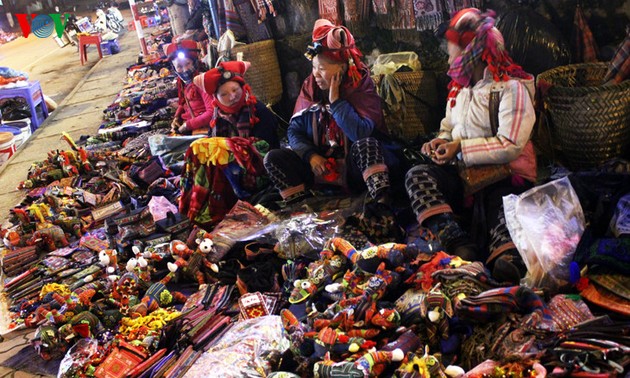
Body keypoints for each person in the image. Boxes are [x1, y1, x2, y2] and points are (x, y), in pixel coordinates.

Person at [404, 8, 537, 284]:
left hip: (503, 176)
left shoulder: (511, 88)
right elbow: (448, 126)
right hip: (465, 175)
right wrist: (440, 141)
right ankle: (457, 239)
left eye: (453, 49)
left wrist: (460, 148)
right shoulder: (459, 90)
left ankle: (505, 256)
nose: (449, 56)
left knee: (501, 206)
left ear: (473, 53)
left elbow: (511, 144)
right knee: (417, 175)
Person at [263, 19, 401, 206]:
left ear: (342, 68)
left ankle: (380, 204)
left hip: (354, 173)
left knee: (366, 145)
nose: (316, 75)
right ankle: (300, 208)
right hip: (319, 171)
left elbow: (360, 133)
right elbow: (294, 131)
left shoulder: (360, 87)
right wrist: (310, 156)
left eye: (322, 69)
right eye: (313, 68)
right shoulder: (310, 88)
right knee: (274, 158)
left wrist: (336, 102)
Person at [192, 60, 279, 148]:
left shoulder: (259, 112)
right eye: (224, 94)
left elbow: (267, 148)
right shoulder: (217, 118)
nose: (232, 97)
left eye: (235, 90)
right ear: (216, 99)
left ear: (243, 88)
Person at [165, 39, 214, 135]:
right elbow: (183, 103)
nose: (185, 69)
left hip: (205, 130)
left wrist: (188, 125)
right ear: (174, 69)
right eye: (179, 66)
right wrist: (177, 117)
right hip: (192, 125)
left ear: (195, 62)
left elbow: (212, 112)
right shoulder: (183, 83)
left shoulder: (202, 81)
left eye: (187, 63)